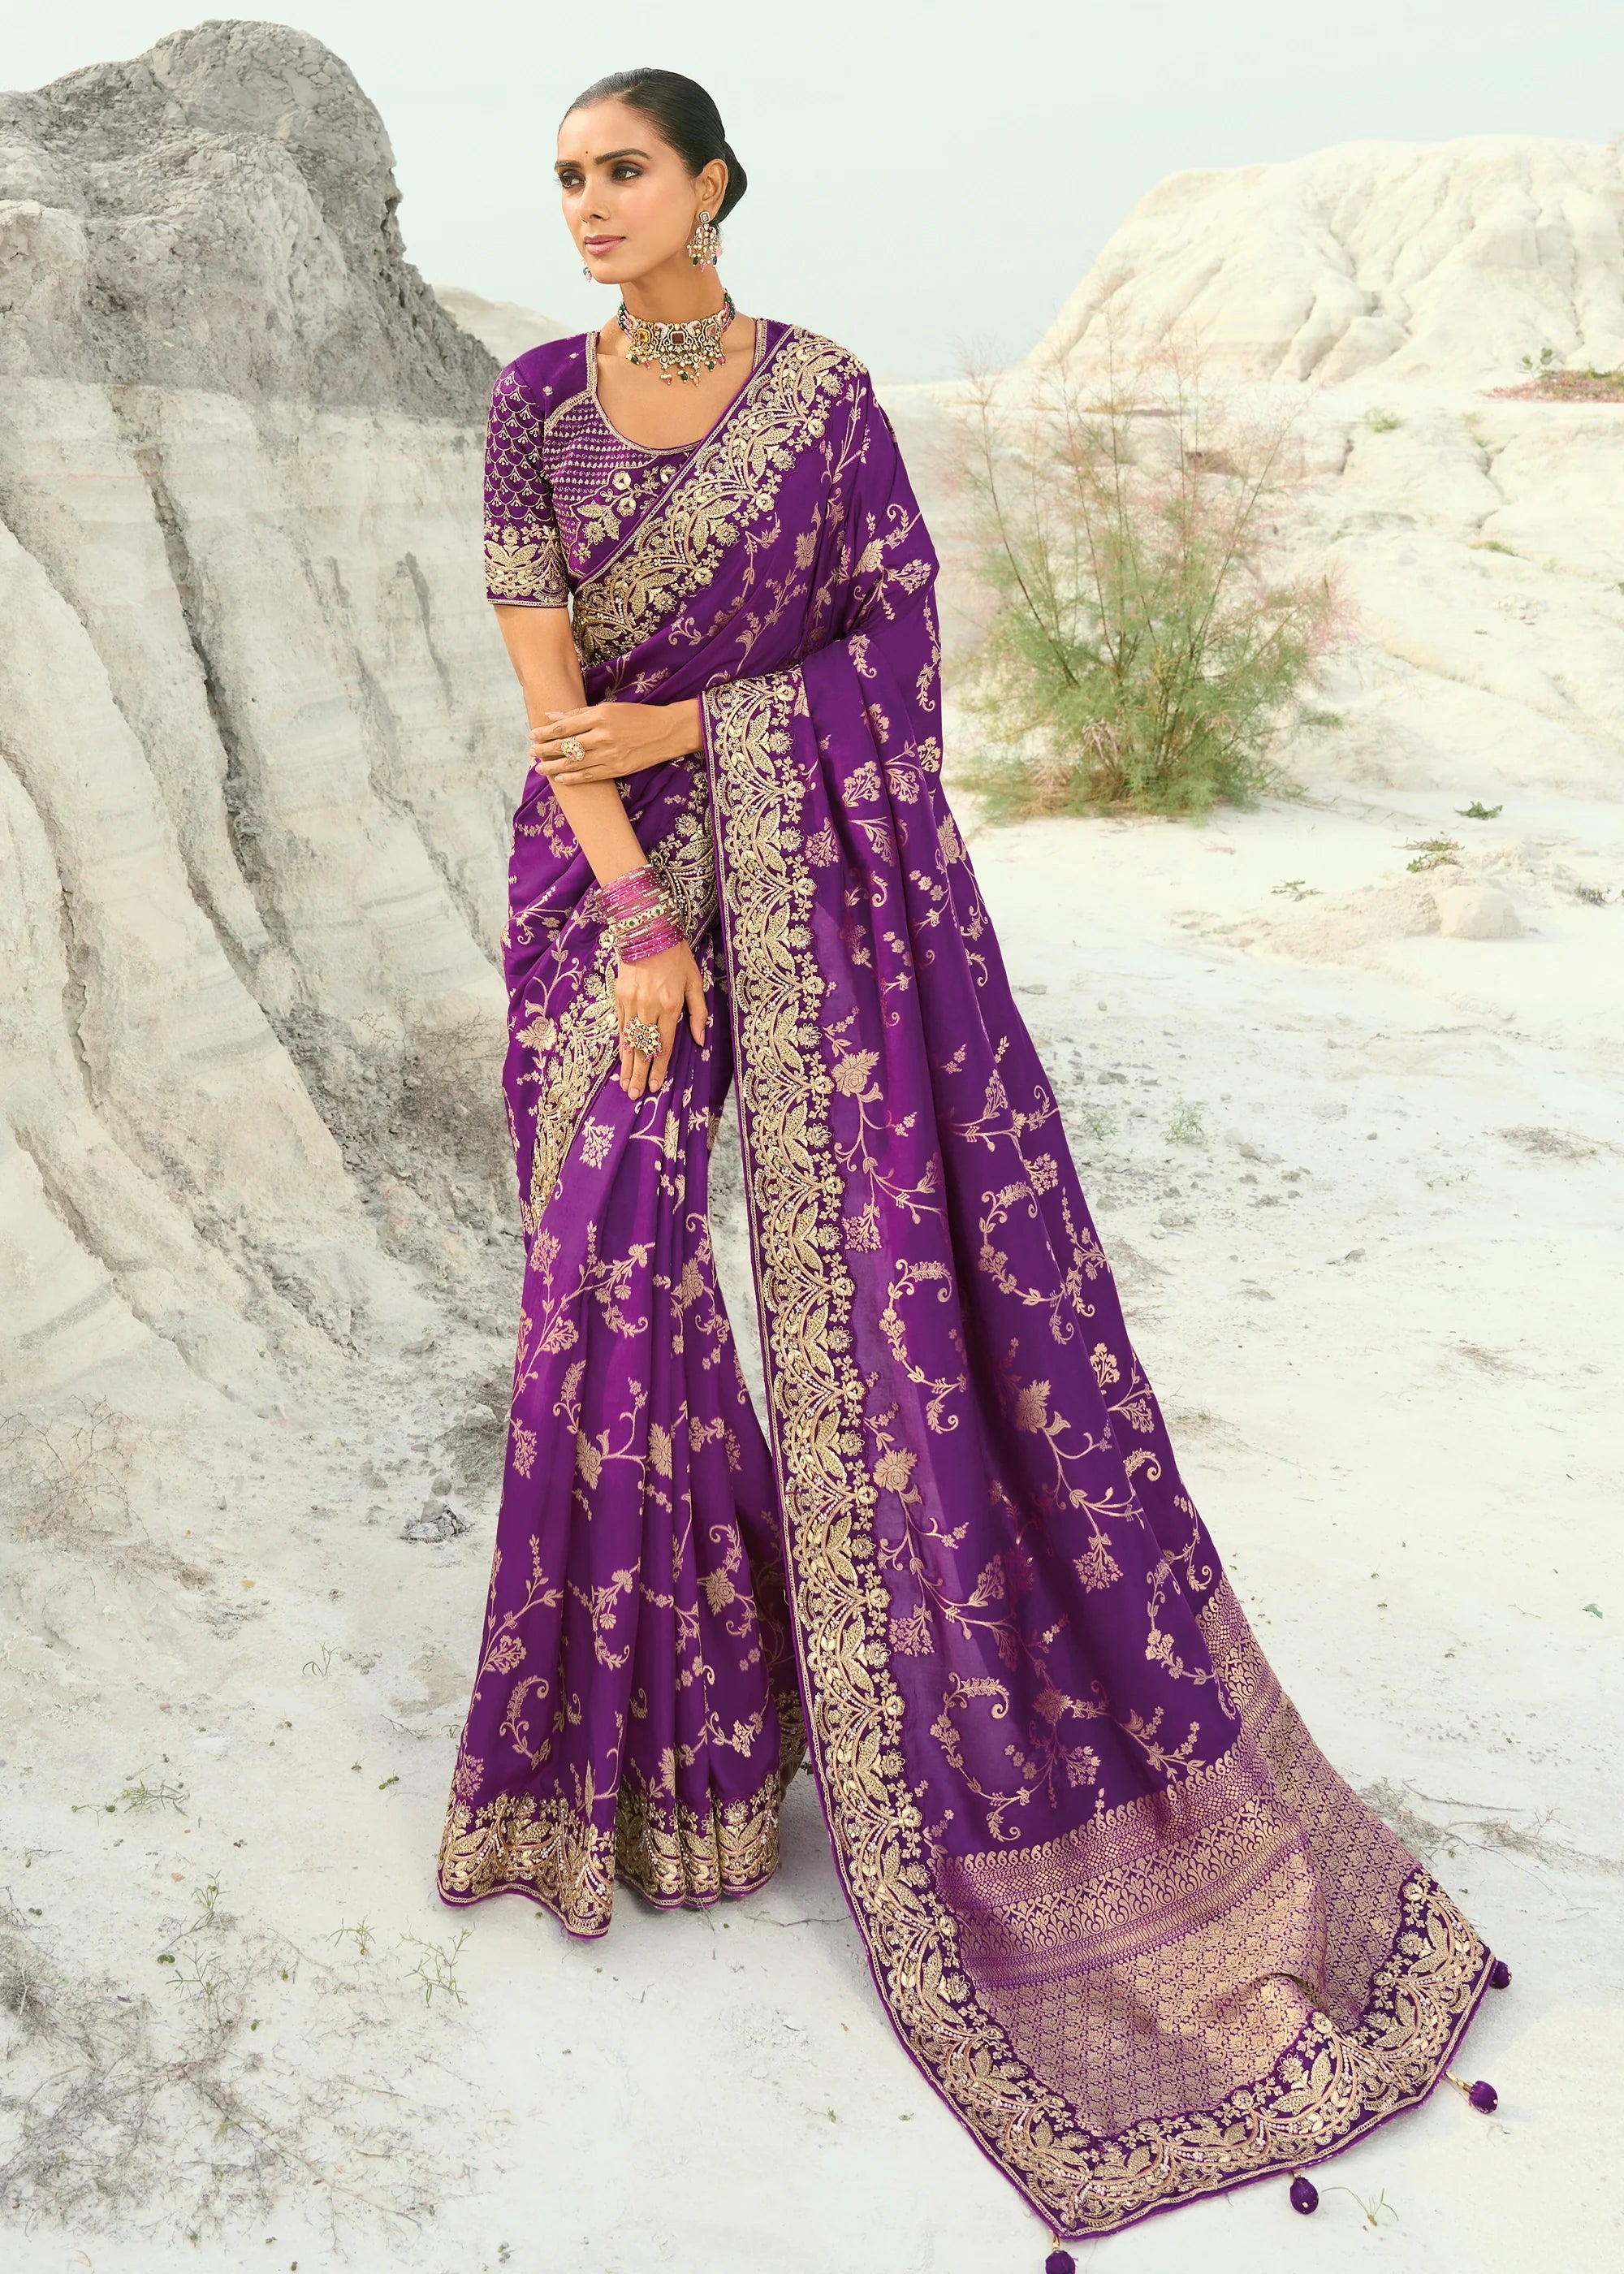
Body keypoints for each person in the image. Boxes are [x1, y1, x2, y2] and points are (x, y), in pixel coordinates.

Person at [437, 66, 1504, 2254]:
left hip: (822, 901)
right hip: (602, 903)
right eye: (563, 179)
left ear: (712, 184)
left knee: (899, 1324)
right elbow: (555, 707)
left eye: (622, 171)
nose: (588, 207)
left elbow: (899, 667)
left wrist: (711, 727)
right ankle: (665, 1759)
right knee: (605, 1294)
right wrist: (640, 915)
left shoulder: (823, 405)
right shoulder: (534, 407)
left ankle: (907, 1736)